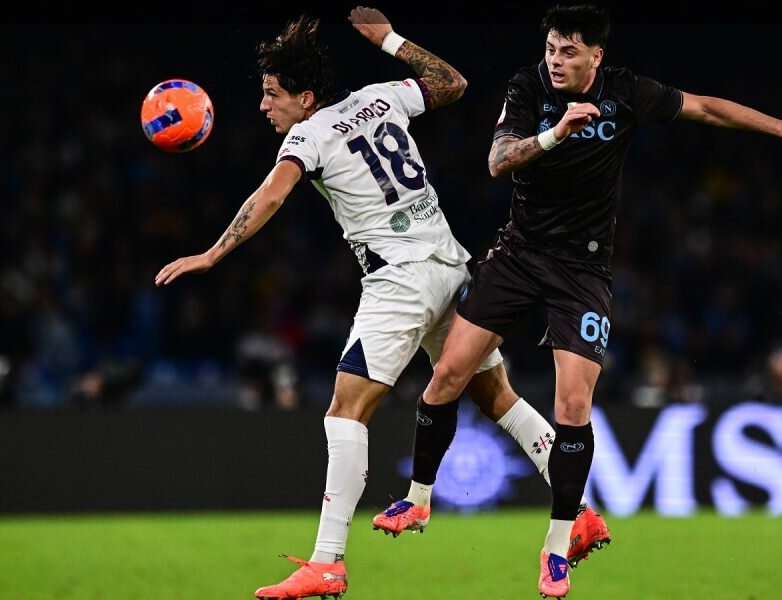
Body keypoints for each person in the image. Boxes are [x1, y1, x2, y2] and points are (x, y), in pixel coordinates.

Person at [382, 4, 782, 597]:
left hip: (582, 270)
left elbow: (705, 108)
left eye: (569, 52)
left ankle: (557, 548)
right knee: (448, 373)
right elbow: (498, 161)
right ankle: (418, 498)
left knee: (573, 405)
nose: (556, 61)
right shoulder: (528, 87)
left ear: (596, 56)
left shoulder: (626, 92)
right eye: (551, 48)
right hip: (519, 254)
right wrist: (556, 132)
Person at [155, 7, 607, 599]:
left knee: (345, 411)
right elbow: (452, 83)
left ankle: (327, 562)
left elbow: (270, 196)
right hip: (451, 265)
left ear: (304, 97)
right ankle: (580, 512)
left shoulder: (307, 135)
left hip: (400, 284)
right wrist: (391, 40)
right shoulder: (379, 97)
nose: (264, 106)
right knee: (495, 395)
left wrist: (213, 254)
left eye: (271, 94)